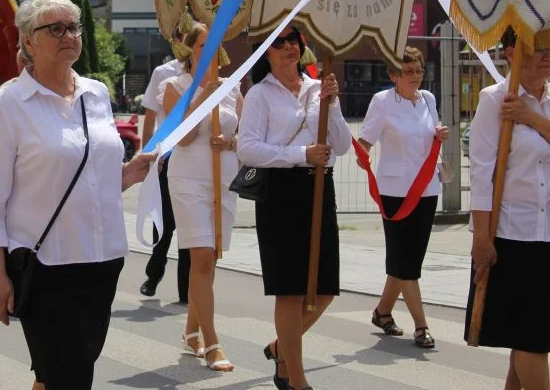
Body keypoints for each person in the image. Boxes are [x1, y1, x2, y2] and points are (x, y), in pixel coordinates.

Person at [0, 0, 155, 390]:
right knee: (69, 375)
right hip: (46, 266)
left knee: (60, 373)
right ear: (28, 41)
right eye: (55, 28)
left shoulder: (97, 93)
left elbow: (90, 178)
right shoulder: (9, 104)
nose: (69, 35)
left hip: (102, 257)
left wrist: (128, 174)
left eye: (73, 27)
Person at [236, 25, 351, 390]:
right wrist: (301, 154)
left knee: (324, 288)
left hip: (318, 188)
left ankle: (280, 348)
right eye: (279, 43)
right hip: (280, 193)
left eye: (293, 41)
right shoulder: (260, 94)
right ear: (266, 53)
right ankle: (296, 379)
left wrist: (331, 107)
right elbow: (247, 148)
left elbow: (343, 144)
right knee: (290, 290)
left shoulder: (320, 88)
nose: (288, 48)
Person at [466, 27, 550, 390]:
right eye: (538, 47)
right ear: (512, 53)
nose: (547, 54)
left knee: (532, 337)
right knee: (533, 341)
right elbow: (483, 175)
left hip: (548, 235)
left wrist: (532, 119)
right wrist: (481, 239)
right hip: (513, 236)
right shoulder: (494, 99)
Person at [161, 22, 240, 371]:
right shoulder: (173, 87)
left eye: (213, 45)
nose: (207, 52)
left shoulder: (235, 88)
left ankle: (191, 330)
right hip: (189, 179)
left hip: (223, 181)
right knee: (203, 256)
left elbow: (248, 137)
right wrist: (205, 94)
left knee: (210, 261)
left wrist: (231, 143)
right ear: (189, 51)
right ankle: (212, 343)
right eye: (200, 46)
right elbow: (183, 138)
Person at [358, 46, 448, 348]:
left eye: (419, 71)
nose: (415, 77)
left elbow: (430, 130)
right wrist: (362, 156)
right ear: (393, 75)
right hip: (395, 192)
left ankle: (383, 312)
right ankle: (421, 326)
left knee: (407, 259)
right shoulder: (382, 102)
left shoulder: (428, 99)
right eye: (408, 71)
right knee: (406, 262)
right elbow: (365, 140)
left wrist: (439, 134)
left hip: (427, 188)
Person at [138, 52, 191, 303]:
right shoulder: (164, 73)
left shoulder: (214, 74)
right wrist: (149, 156)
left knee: (191, 227)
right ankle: (154, 274)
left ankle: (187, 289)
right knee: (165, 222)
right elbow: (150, 118)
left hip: (195, 160)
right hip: (167, 156)